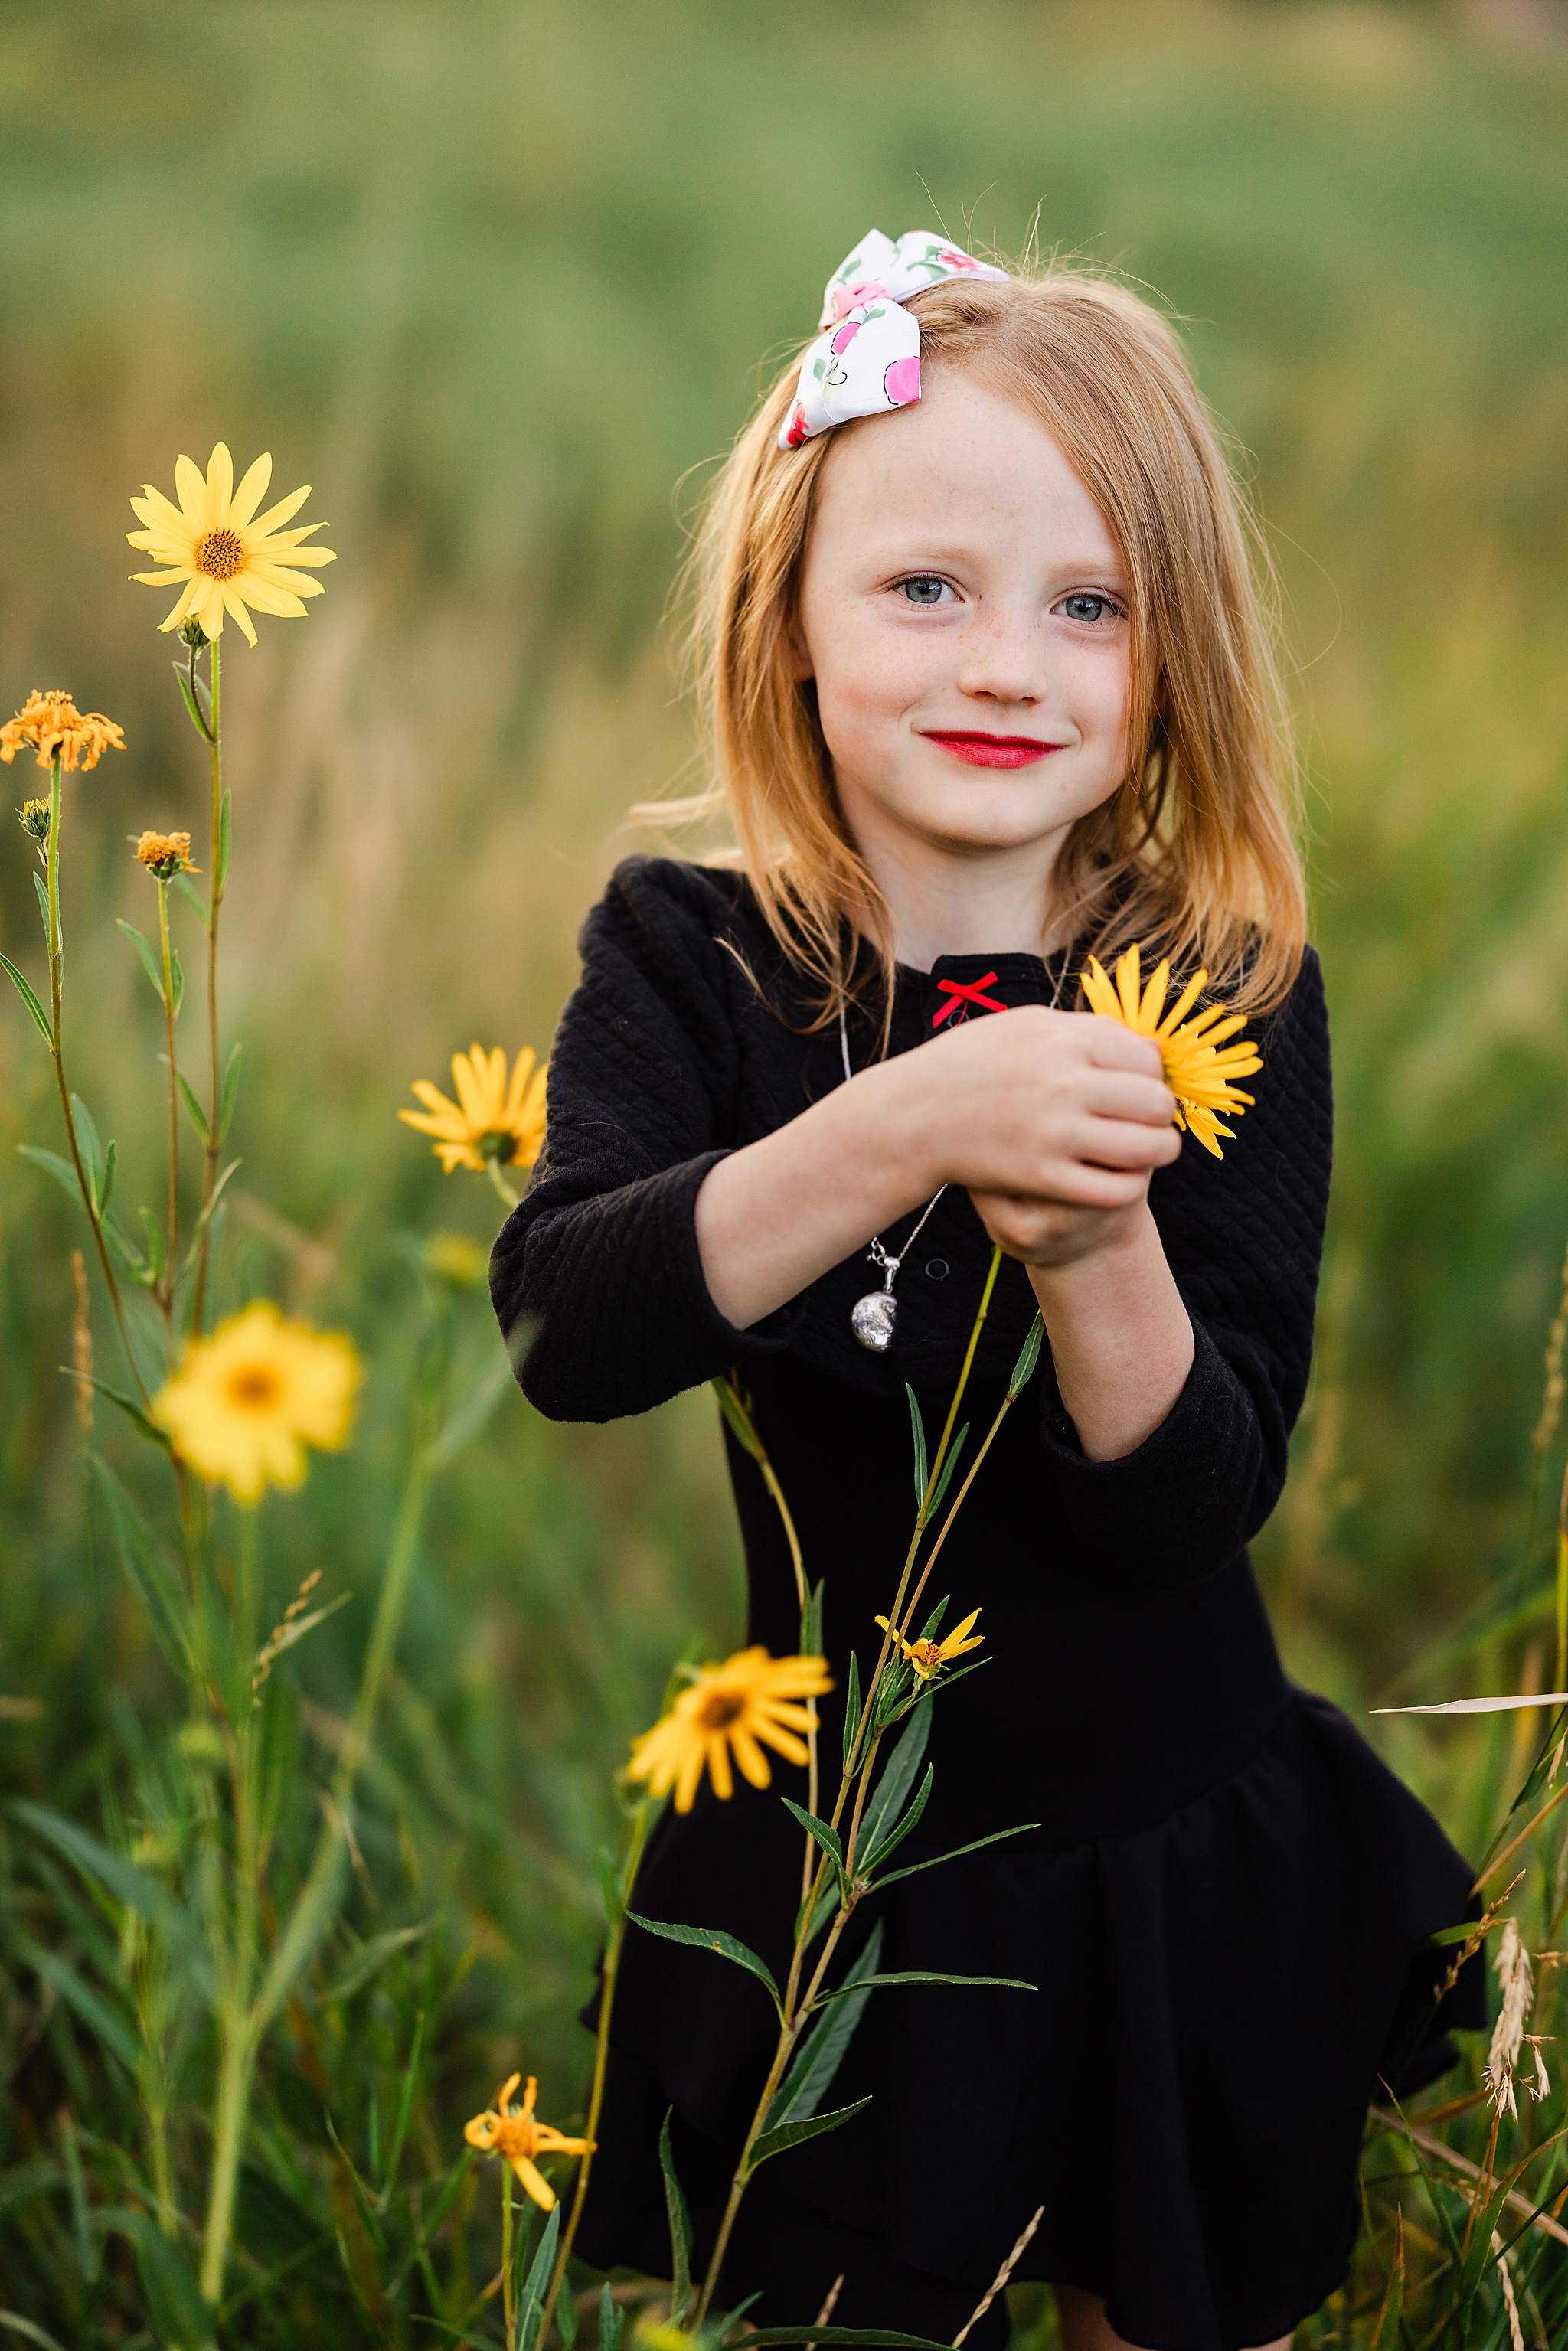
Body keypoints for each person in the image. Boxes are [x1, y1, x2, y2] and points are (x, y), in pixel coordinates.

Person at [490, 232, 1481, 2351]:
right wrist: (905, 1126)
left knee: (1182, 2307)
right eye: (926, 588)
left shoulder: (1221, 990)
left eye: (1090, 605)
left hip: (1160, 1846)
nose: (1009, 664)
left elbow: (1190, 1506)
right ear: (792, 627)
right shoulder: (692, 957)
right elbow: (568, 1330)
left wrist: (1095, 1241)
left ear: (1171, 659)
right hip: (847, 1847)